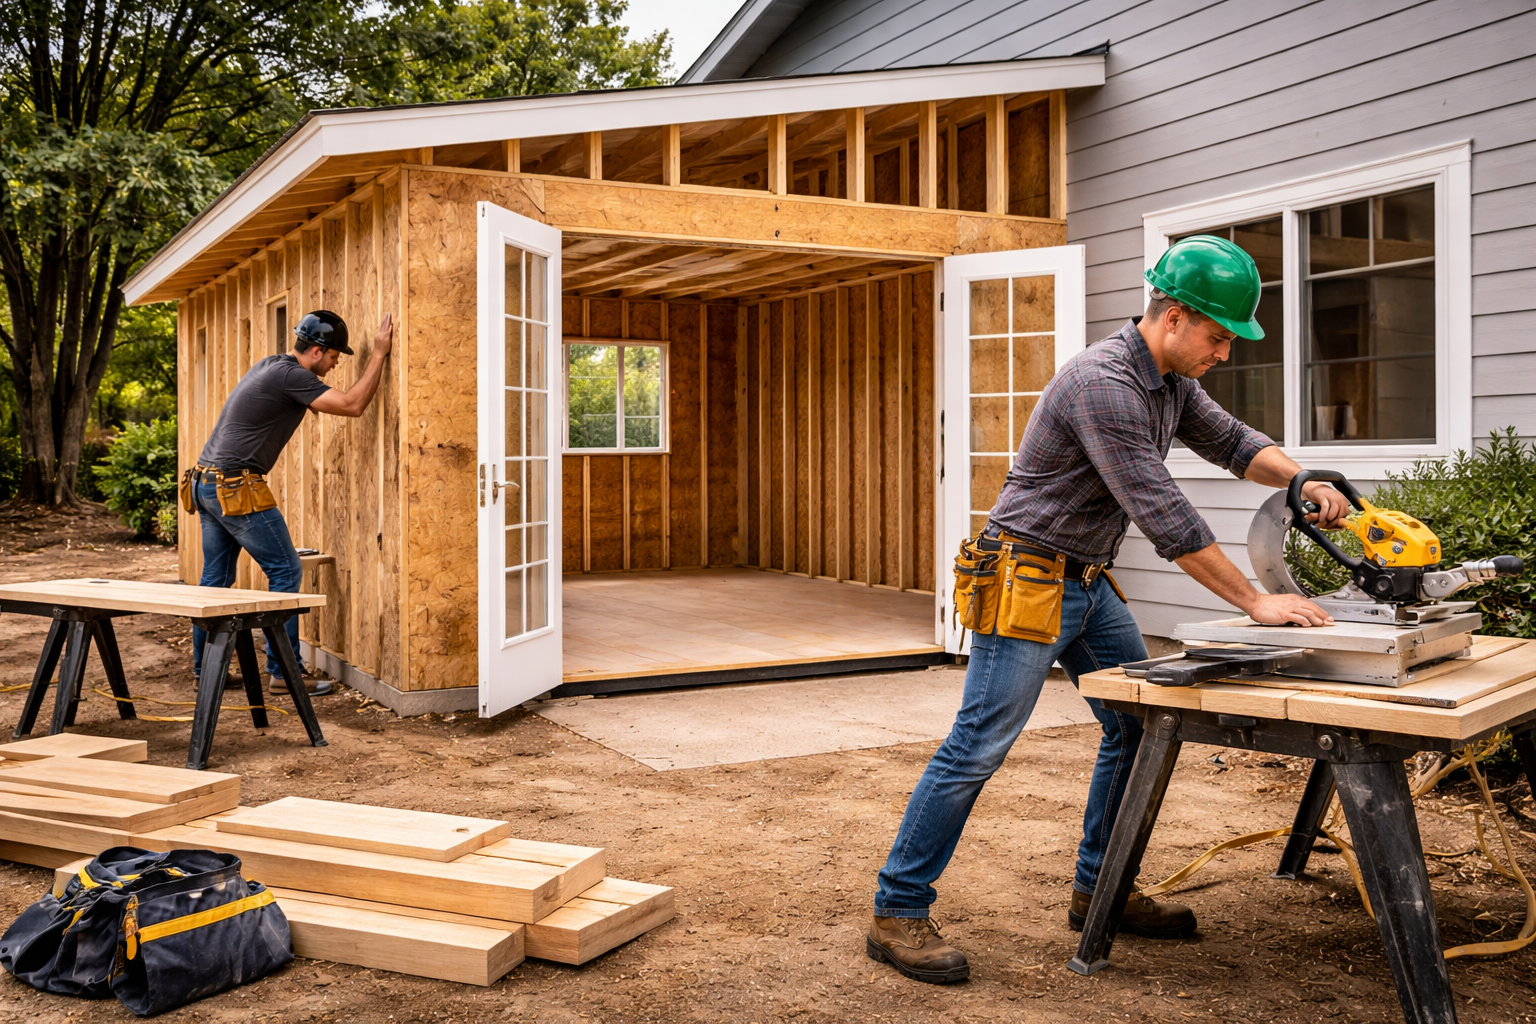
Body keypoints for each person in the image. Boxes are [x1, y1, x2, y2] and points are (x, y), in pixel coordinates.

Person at [866, 236, 1353, 984]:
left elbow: (1232, 442)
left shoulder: (1167, 380)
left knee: (1134, 723)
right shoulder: (1106, 384)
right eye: (1219, 336)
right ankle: (897, 910)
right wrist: (1256, 600)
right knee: (979, 745)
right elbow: (1164, 515)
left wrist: (1307, 482)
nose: (1223, 353)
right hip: (1027, 578)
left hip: (1086, 582)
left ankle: (1103, 888)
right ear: (1176, 318)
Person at [189, 309, 393, 695]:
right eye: (335, 357)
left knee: (216, 581)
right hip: (235, 486)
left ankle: (206, 670)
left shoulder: (274, 367)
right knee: (284, 570)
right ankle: (284, 673)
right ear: (317, 351)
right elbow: (352, 405)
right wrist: (379, 354)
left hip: (206, 481)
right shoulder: (291, 376)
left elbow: (322, 403)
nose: (335, 365)